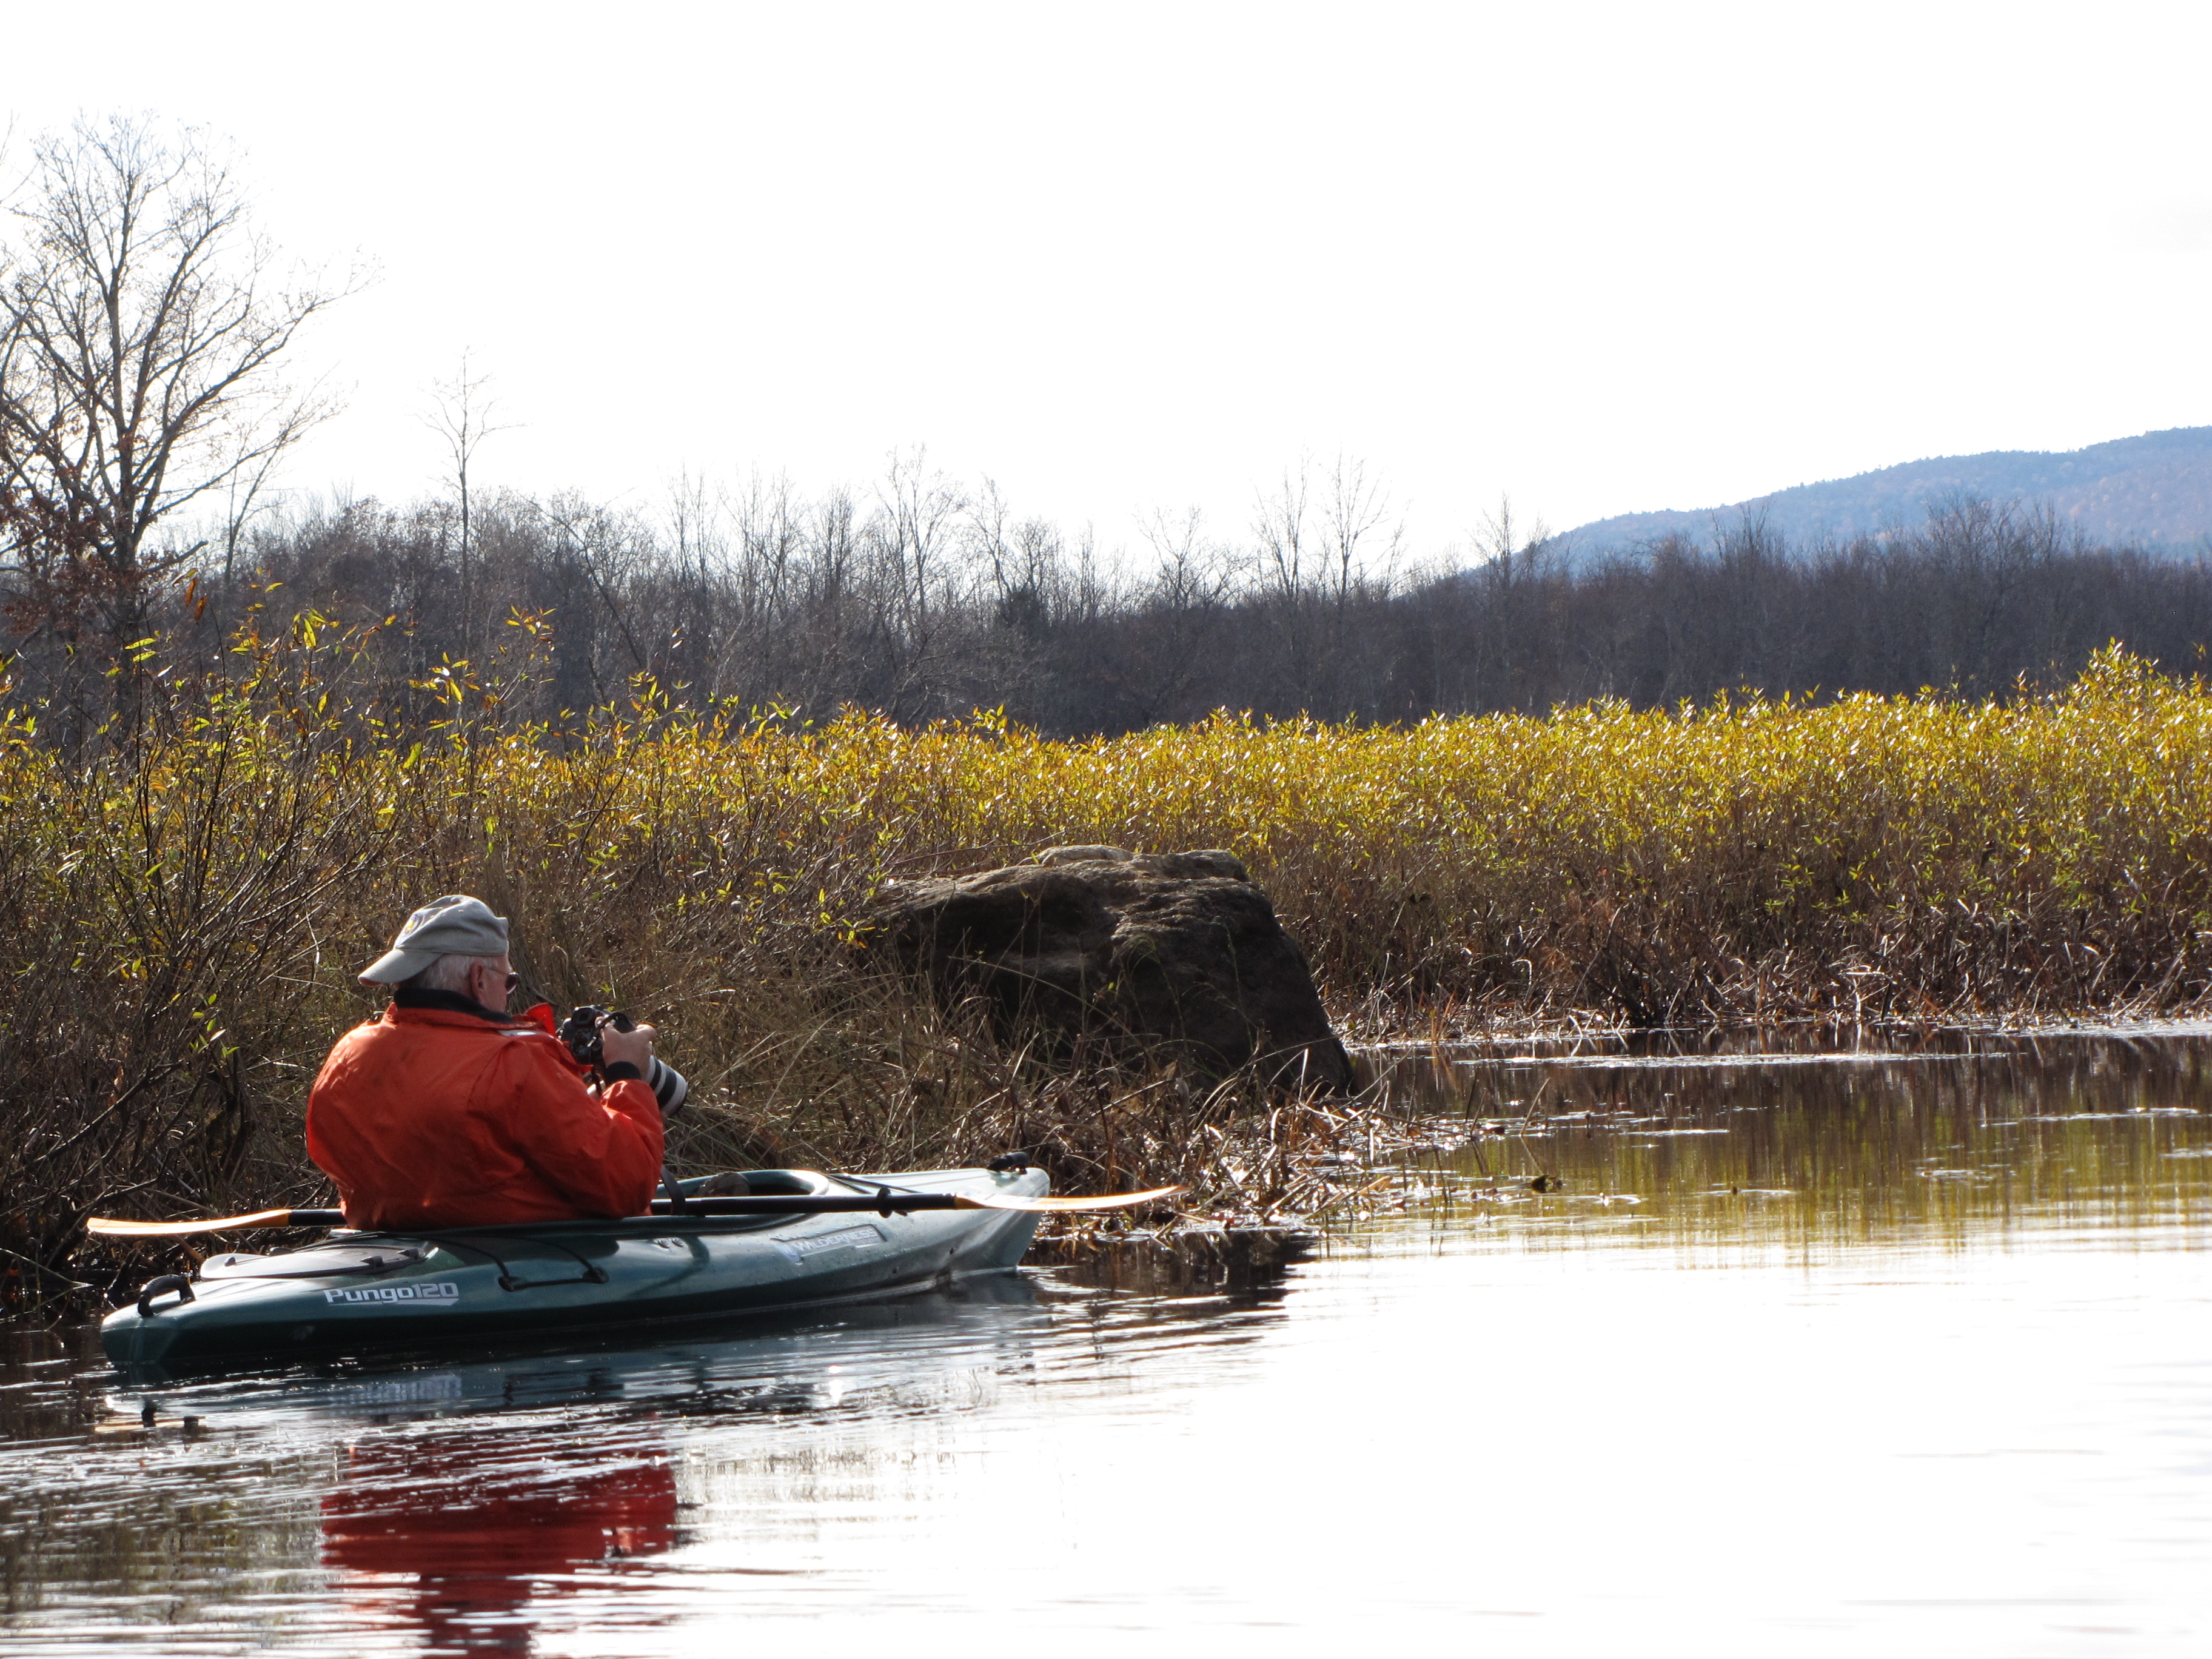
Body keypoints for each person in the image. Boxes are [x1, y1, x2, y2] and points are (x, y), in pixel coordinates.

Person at [306, 894, 666, 1229]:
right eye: (508, 981)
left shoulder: (348, 1054)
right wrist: (626, 1073)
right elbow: (627, 1184)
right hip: (527, 1269)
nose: (509, 994)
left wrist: (575, 1103)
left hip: (395, 1251)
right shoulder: (514, 1062)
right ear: (479, 980)